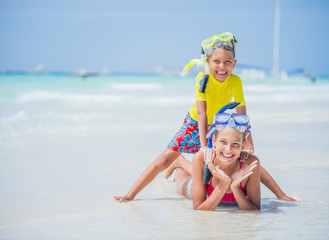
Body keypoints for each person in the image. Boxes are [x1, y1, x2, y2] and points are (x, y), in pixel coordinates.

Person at [113, 32, 294, 202]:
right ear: (208, 62)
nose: (222, 66)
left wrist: (248, 141)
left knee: (238, 161)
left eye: (227, 62)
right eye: (217, 61)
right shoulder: (202, 78)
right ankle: (130, 195)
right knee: (163, 161)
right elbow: (201, 113)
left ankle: (281, 195)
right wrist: (204, 146)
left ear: (234, 63)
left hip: (217, 124)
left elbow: (242, 113)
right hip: (195, 123)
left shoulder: (236, 81)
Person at [168, 112, 260, 211]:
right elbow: (199, 209)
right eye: (223, 142)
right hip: (203, 192)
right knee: (181, 183)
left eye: (236, 144)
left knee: (201, 172)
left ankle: (182, 163)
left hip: (209, 173)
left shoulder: (250, 163)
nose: (228, 149)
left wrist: (235, 187)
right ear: (214, 140)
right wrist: (224, 183)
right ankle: (179, 162)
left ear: (244, 144)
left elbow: (255, 209)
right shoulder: (200, 158)